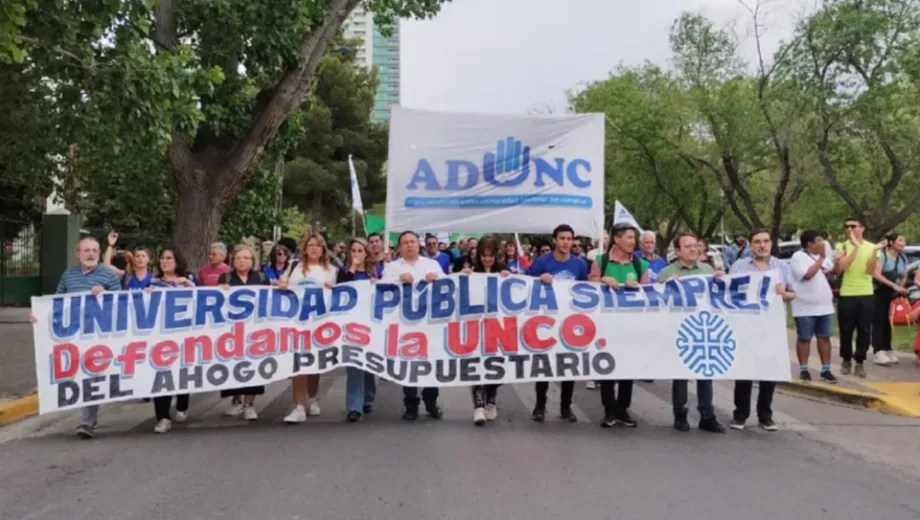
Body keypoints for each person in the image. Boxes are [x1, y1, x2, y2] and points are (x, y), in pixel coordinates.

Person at [44, 237, 122, 438]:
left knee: (91, 375)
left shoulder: (108, 275)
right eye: (87, 250)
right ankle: (91, 415)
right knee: (78, 376)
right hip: (74, 336)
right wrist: (38, 315)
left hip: (99, 337)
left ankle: (86, 421)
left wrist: (105, 293)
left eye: (95, 251)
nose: (91, 254)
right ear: (78, 253)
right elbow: (57, 301)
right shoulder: (68, 275)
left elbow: (122, 304)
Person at [657, 233, 726, 434]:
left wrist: (721, 282)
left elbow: (717, 298)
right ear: (677, 251)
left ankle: (707, 415)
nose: (694, 249)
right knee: (681, 375)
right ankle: (680, 415)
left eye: (696, 246)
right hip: (679, 332)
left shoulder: (707, 270)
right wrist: (668, 285)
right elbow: (656, 302)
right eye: (688, 246)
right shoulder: (666, 273)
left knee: (706, 373)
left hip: (703, 330)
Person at [727, 229, 796, 432]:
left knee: (769, 372)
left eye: (765, 241)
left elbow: (793, 293)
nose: (762, 245)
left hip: (772, 327)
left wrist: (784, 293)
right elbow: (730, 293)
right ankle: (740, 414)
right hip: (747, 326)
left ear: (771, 243)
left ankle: (765, 415)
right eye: (757, 242)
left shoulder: (781, 266)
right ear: (750, 245)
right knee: (745, 372)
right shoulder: (740, 266)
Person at [526, 224, 588, 423]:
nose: (566, 243)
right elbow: (524, 284)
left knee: (567, 365)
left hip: (570, 322)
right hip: (545, 321)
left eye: (569, 239)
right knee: (543, 365)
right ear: (554, 240)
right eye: (562, 238)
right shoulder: (542, 262)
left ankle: (565, 407)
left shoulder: (580, 265)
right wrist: (539, 279)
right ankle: (540, 406)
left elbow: (586, 291)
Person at [590, 223, 649, 428]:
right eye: (630, 237)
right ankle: (609, 409)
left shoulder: (641, 265)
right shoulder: (601, 261)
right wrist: (602, 280)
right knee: (607, 366)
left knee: (627, 366)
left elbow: (651, 296)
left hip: (631, 325)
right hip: (606, 324)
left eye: (634, 238)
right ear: (616, 239)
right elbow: (586, 288)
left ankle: (623, 408)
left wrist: (639, 288)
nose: (633, 242)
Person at [381, 231, 445, 420]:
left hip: (429, 323)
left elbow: (448, 285)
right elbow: (380, 289)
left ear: (419, 245)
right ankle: (410, 404)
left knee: (431, 362)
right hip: (404, 324)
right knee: (407, 364)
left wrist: (437, 279)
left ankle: (431, 401)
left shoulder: (432, 265)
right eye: (405, 242)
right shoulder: (392, 267)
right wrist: (398, 279)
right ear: (399, 247)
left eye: (413, 242)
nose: (409, 245)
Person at [279, 233, 338, 423]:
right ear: (305, 249)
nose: (314, 248)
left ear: (323, 250)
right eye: (311, 245)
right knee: (299, 364)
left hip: (320, 323)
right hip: (297, 323)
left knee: (314, 364)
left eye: (318, 246)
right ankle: (298, 405)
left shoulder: (331, 269)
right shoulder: (294, 267)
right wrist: (282, 284)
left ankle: (312, 398)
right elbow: (282, 283)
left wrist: (333, 287)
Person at [460, 237, 510, 425]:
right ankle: (478, 406)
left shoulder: (504, 271)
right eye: (484, 256)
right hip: (476, 327)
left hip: (498, 329)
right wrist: (462, 276)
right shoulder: (471, 272)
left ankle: (491, 401)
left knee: (495, 367)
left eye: (491, 256)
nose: (487, 259)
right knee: (477, 367)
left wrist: (509, 278)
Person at [218, 245, 268, 421]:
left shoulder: (261, 278)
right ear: (233, 261)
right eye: (239, 258)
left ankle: (249, 404)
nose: (242, 261)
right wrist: (220, 290)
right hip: (232, 331)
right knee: (233, 365)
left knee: (253, 366)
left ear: (252, 261)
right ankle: (236, 400)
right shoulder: (226, 277)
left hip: (255, 331)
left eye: (246, 258)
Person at [149, 246, 196, 433]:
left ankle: (182, 406)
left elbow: (201, 299)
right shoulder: (154, 283)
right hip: (160, 338)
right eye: (162, 258)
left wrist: (188, 286)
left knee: (181, 373)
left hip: (183, 337)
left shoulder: (188, 280)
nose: (164, 261)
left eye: (169, 258)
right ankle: (162, 417)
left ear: (177, 261)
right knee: (161, 375)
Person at [337, 238, 379, 422]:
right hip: (350, 324)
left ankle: (367, 398)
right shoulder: (344, 271)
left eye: (360, 251)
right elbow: (342, 289)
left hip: (371, 323)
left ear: (366, 253)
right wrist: (352, 269)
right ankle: (354, 406)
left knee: (368, 363)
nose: (356, 254)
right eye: (353, 251)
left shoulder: (375, 271)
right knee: (354, 363)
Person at [789, 231, 838, 384]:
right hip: (805, 306)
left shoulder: (821, 257)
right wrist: (822, 258)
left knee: (824, 337)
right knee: (805, 338)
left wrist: (838, 261)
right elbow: (807, 274)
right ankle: (804, 369)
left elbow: (834, 272)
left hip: (824, 306)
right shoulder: (798, 257)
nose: (822, 243)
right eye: (818, 240)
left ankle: (826, 369)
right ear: (809, 243)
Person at [834, 217, 877, 378]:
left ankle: (860, 361)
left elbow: (871, 270)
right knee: (846, 329)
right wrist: (856, 248)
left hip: (866, 293)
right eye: (847, 226)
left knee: (865, 329)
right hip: (847, 293)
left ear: (862, 228)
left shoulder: (872, 247)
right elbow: (843, 267)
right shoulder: (842, 245)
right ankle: (846, 359)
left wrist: (872, 252)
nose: (849, 229)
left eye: (853, 226)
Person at [870, 232, 909, 366]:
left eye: (903, 241)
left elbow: (904, 275)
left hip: (893, 294)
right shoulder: (882, 256)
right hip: (880, 292)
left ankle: (887, 348)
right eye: (900, 240)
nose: (903, 243)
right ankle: (878, 351)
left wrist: (901, 287)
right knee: (879, 320)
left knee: (889, 322)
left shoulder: (903, 258)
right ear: (891, 242)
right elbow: (876, 274)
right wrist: (893, 286)